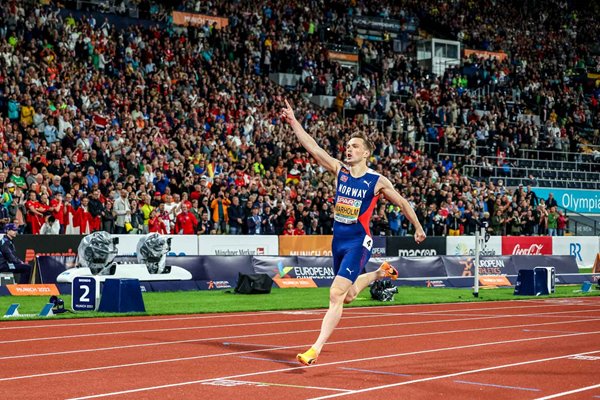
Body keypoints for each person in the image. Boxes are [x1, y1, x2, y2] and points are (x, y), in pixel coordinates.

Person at [281, 100, 426, 366]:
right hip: (338, 241)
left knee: (335, 294)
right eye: (347, 146)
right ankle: (380, 273)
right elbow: (312, 147)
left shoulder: (377, 181)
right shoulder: (339, 171)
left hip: (359, 242)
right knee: (347, 296)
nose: (348, 149)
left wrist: (417, 226)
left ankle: (315, 349)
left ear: (367, 153)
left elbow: (403, 203)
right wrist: (293, 122)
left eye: (355, 146)